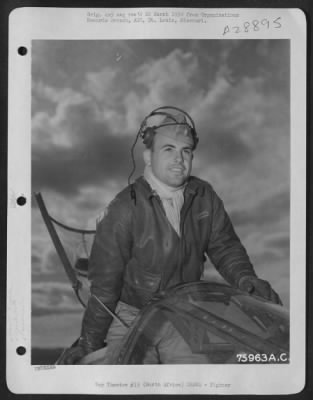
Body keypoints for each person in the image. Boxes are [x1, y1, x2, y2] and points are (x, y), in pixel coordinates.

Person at [60, 106, 282, 365]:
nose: (179, 159)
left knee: (195, 381)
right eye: (168, 149)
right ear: (148, 156)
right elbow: (104, 289)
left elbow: (225, 246)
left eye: (186, 150)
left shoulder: (204, 196)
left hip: (181, 314)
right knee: (128, 380)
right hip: (129, 317)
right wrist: (89, 343)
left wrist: (245, 278)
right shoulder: (122, 209)